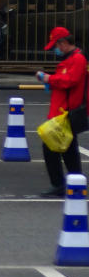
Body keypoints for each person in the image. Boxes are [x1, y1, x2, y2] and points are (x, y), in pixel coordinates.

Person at [36, 26, 87, 197]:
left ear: (63, 43)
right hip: (63, 112)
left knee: (51, 146)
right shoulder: (71, 59)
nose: (55, 50)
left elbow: (70, 80)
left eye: (56, 46)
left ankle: (60, 184)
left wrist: (50, 78)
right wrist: (51, 81)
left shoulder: (78, 59)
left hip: (67, 112)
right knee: (68, 148)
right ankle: (75, 182)